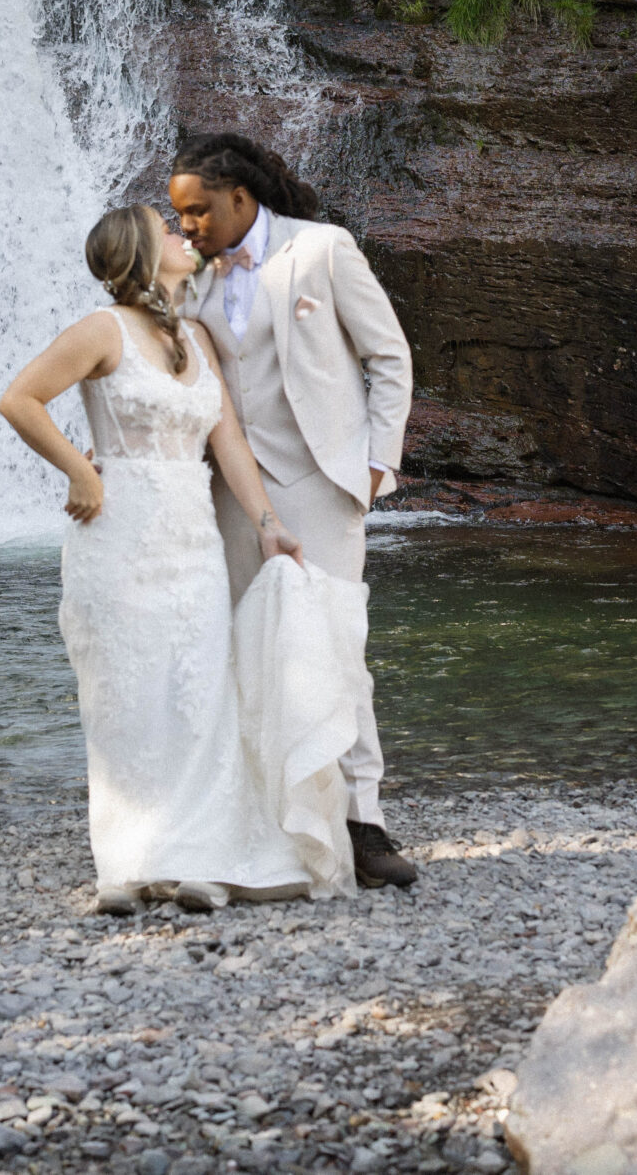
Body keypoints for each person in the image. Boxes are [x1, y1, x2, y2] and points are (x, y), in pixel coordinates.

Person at [0, 205, 351, 914]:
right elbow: (20, 398)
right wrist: (80, 471)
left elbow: (230, 448)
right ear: (140, 250)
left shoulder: (193, 339)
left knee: (200, 699)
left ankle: (199, 859)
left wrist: (268, 525)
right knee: (125, 700)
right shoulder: (103, 330)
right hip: (118, 536)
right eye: (167, 230)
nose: (182, 236)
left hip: (193, 543)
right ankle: (128, 865)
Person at [169, 132, 421, 890]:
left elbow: (388, 355)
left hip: (322, 479)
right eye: (179, 215)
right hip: (232, 492)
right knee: (250, 643)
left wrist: (377, 464)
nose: (187, 227)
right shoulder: (190, 282)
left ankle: (362, 818)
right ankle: (269, 817)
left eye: (199, 211)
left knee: (336, 646)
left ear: (241, 198)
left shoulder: (323, 249)